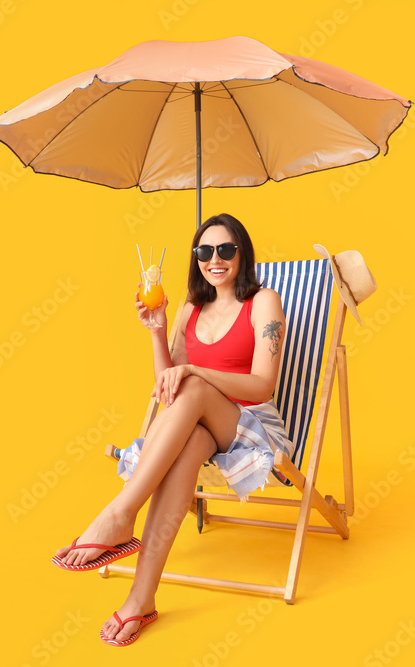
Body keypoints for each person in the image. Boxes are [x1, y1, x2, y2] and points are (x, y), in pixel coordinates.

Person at [53, 213, 292, 646]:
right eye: (204, 251)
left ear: (242, 253)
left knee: (196, 385)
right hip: (199, 425)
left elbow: (262, 385)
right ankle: (140, 600)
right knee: (187, 444)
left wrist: (196, 370)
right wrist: (158, 331)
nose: (214, 259)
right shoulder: (188, 308)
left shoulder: (264, 302)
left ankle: (120, 513)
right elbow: (168, 389)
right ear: (195, 258)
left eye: (225, 249)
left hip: (249, 427)